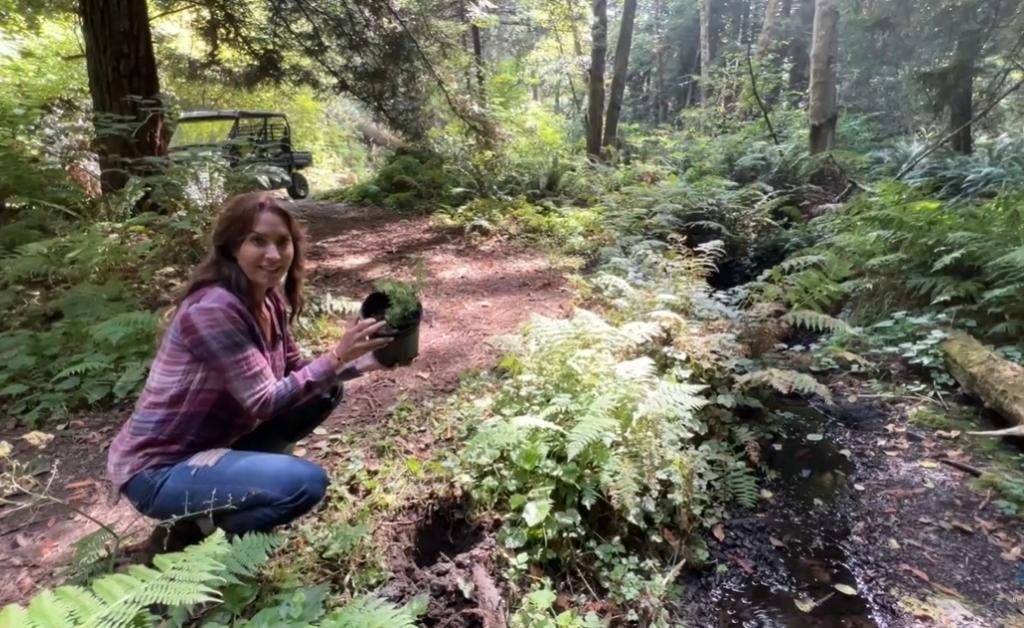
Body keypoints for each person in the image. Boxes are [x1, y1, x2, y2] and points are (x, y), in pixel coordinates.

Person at [107, 192, 395, 549]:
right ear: (231, 247)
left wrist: (367, 361)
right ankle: (197, 548)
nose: (273, 255)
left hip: (213, 446)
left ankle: (195, 520)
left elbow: (296, 372)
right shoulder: (214, 309)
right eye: (257, 241)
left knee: (325, 391)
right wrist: (336, 355)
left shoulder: (268, 298)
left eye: (282, 242)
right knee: (303, 484)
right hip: (159, 469)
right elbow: (264, 401)